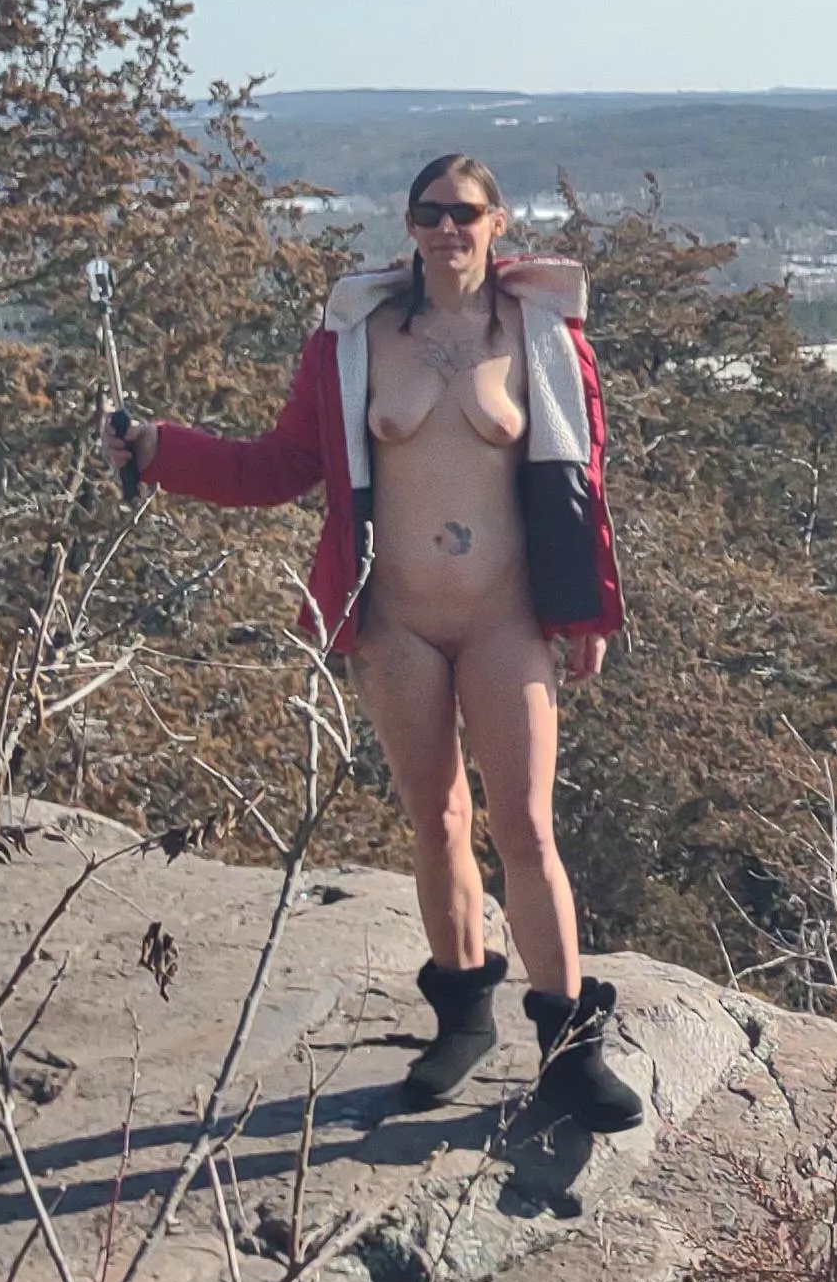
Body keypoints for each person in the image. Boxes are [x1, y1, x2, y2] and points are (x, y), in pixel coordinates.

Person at [104, 155, 641, 1133]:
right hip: (393, 617)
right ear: (410, 224)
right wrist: (159, 450)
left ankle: (569, 1053)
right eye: (431, 213)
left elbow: (582, 479)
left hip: (505, 618)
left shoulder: (542, 335)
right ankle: (462, 1020)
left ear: (496, 220)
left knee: (524, 827)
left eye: (465, 212)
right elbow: (282, 465)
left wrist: (589, 614)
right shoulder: (354, 343)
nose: (448, 228)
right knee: (436, 822)